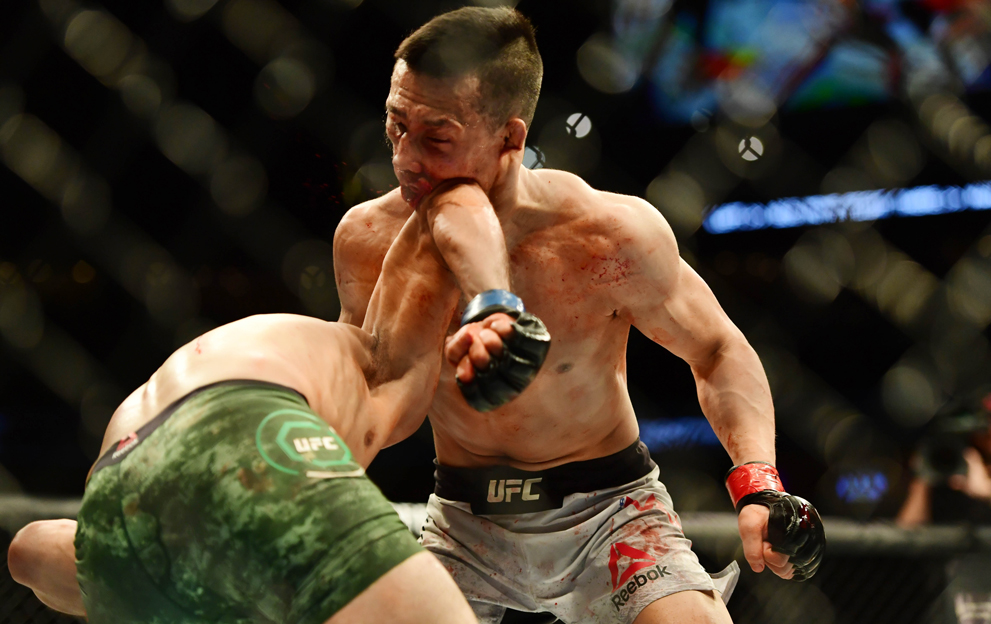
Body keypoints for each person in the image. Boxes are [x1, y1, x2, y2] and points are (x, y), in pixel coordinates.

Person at [334, 7, 825, 624]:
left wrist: (757, 480)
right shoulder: (370, 241)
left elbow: (717, 349)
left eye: (436, 138)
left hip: (612, 511)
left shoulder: (606, 236)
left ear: (510, 139)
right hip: (465, 519)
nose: (404, 158)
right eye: (396, 125)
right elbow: (361, 393)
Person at [7, 184, 551, 624]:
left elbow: (28, 551)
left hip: (119, 482)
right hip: (236, 429)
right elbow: (451, 201)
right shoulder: (383, 365)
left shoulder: (302, 354)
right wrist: (497, 307)